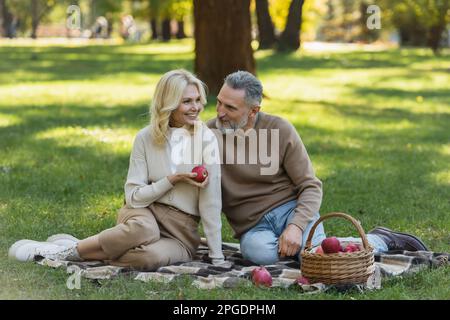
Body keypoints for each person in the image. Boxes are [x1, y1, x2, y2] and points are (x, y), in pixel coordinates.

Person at [9, 69, 230, 270]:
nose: (196, 108)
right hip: (144, 213)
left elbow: (211, 201)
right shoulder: (145, 138)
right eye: (187, 102)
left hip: (180, 233)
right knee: (144, 230)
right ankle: (61, 253)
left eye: (198, 100)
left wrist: (216, 254)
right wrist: (171, 180)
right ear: (169, 104)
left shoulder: (206, 140)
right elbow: (133, 197)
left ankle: (79, 247)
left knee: (146, 259)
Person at [206, 70, 429, 265]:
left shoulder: (279, 129)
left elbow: (310, 185)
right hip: (253, 226)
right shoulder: (207, 135)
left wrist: (296, 226)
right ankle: (313, 249)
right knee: (260, 254)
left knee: (314, 255)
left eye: (230, 107)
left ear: (253, 111)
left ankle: (378, 240)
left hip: (291, 210)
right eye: (219, 102)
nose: (220, 112)